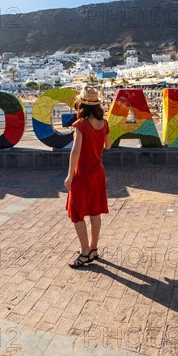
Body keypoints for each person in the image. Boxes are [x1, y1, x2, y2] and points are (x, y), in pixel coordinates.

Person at [64, 86, 112, 268]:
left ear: (81, 105)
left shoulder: (81, 125)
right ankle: (93, 249)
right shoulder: (104, 123)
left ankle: (84, 253)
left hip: (82, 173)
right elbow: (108, 145)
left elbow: (75, 151)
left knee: (76, 213)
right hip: (98, 172)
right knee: (94, 211)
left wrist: (69, 176)